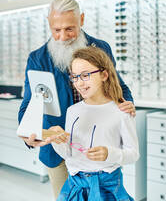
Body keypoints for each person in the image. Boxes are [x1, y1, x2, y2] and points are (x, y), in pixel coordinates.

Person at [18, 0, 136, 200]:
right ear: (49, 23)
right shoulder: (38, 59)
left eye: (69, 29)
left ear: (81, 19)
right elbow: (30, 103)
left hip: (101, 149)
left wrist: (127, 104)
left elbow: (118, 86)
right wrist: (30, 132)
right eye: (56, 30)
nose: (63, 36)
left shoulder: (101, 49)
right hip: (59, 150)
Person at [50, 46, 139, 200]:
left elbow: (133, 154)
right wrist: (56, 141)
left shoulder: (121, 112)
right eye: (75, 77)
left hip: (107, 189)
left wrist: (109, 154)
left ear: (104, 74)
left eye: (85, 75)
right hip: (74, 188)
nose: (79, 83)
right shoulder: (72, 111)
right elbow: (69, 154)